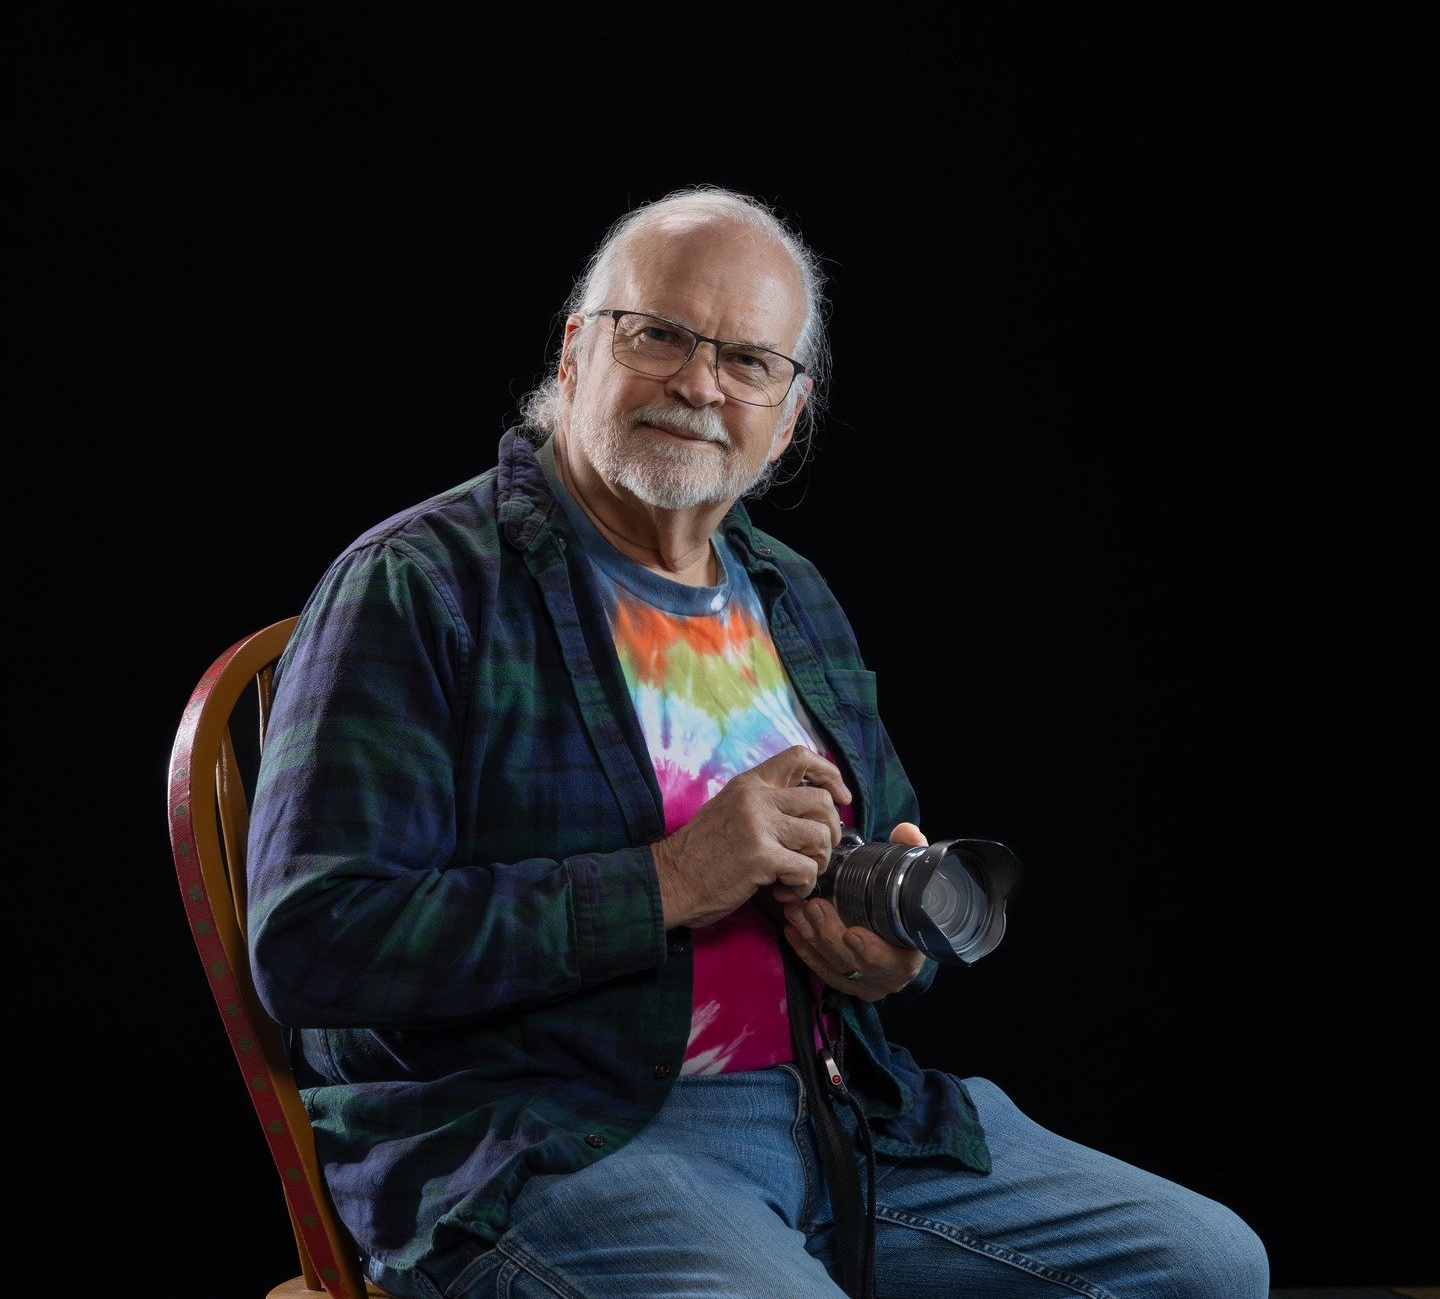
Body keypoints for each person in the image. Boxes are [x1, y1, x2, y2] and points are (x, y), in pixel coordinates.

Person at [247, 184, 1269, 1299]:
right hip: (552, 1136)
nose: (698, 383)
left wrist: (891, 957)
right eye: (660, 336)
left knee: (1208, 1265)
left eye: (746, 362)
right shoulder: (419, 585)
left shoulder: (791, 595)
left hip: (848, 1119)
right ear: (578, 352)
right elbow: (313, 945)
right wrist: (673, 880)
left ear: (789, 415)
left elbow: (878, 868)